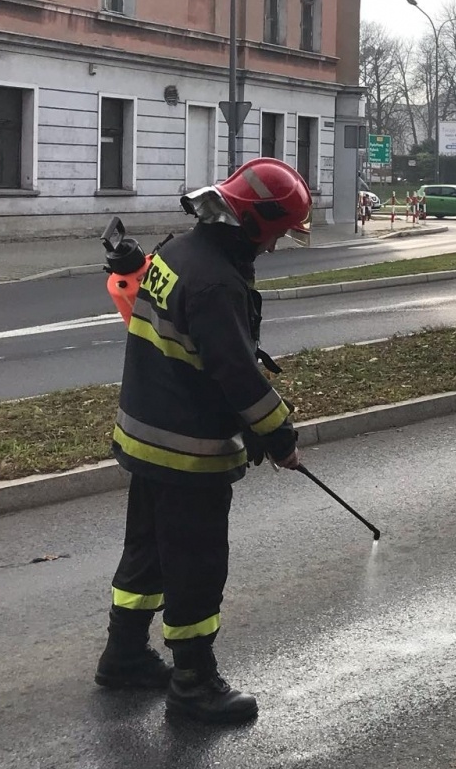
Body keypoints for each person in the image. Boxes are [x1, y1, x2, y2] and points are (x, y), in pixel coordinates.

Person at [95, 158, 312, 725]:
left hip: (145, 433)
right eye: (277, 233)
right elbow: (235, 374)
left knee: (147, 551)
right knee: (196, 564)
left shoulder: (178, 252)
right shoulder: (217, 280)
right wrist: (279, 436)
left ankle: (123, 657)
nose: (274, 245)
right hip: (186, 450)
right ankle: (194, 684)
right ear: (255, 223)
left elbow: (190, 351)